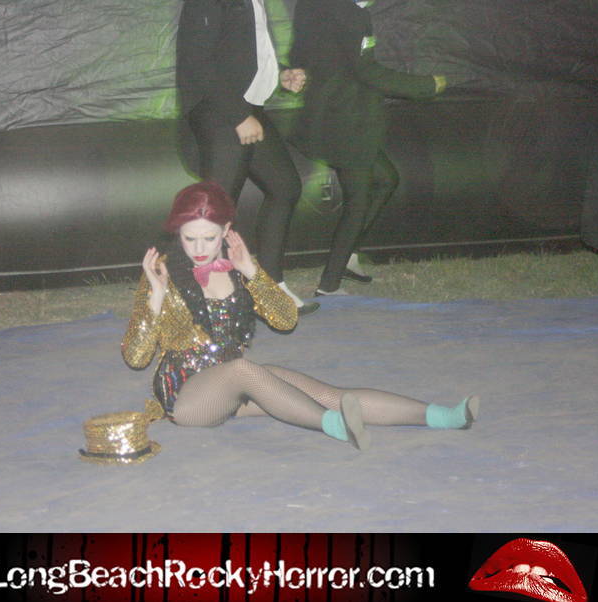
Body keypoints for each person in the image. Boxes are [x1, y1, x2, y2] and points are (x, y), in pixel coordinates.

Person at [121, 181, 478, 450]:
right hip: (186, 398)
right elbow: (136, 357)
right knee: (245, 369)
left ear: (227, 231)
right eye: (190, 239)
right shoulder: (164, 272)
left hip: (235, 384)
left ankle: (443, 416)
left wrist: (252, 274)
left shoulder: (238, 264)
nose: (199, 249)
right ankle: (336, 426)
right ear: (178, 234)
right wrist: (156, 298)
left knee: (327, 393)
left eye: (209, 239)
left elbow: (286, 320)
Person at [289, 0, 447, 296]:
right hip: (348, 120)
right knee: (357, 203)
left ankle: (347, 258)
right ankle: (329, 285)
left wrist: (297, 71)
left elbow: (298, 53)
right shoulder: (352, 14)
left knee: (386, 179)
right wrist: (427, 85)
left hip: (327, 115)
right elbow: (366, 71)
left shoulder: (311, 5)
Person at [175, 0, 319, 315]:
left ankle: (268, 286)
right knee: (215, 211)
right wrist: (238, 115)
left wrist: (280, 74)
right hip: (219, 111)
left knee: (284, 187)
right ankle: (204, 302)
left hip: (244, 106)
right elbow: (197, 61)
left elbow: (242, 50)